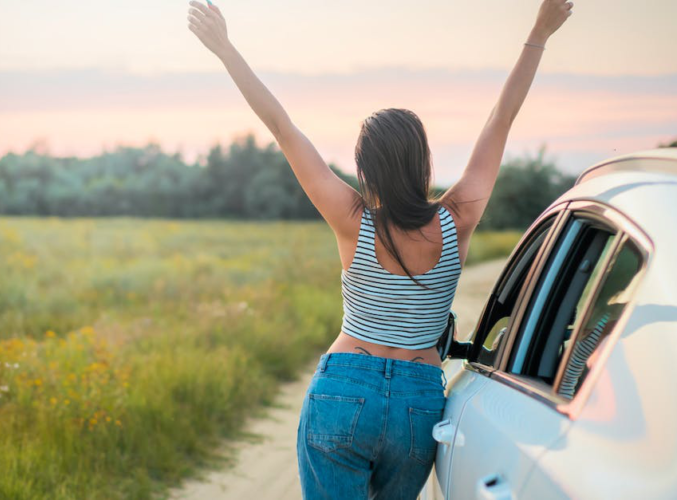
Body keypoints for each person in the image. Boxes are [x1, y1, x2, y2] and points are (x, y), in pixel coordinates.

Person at [187, 1, 573, 498]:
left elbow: (282, 127)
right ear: (424, 162)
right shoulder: (459, 219)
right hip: (418, 401)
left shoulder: (351, 220)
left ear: (365, 170)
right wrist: (539, 33)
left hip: (344, 387)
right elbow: (502, 119)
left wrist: (225, 49)